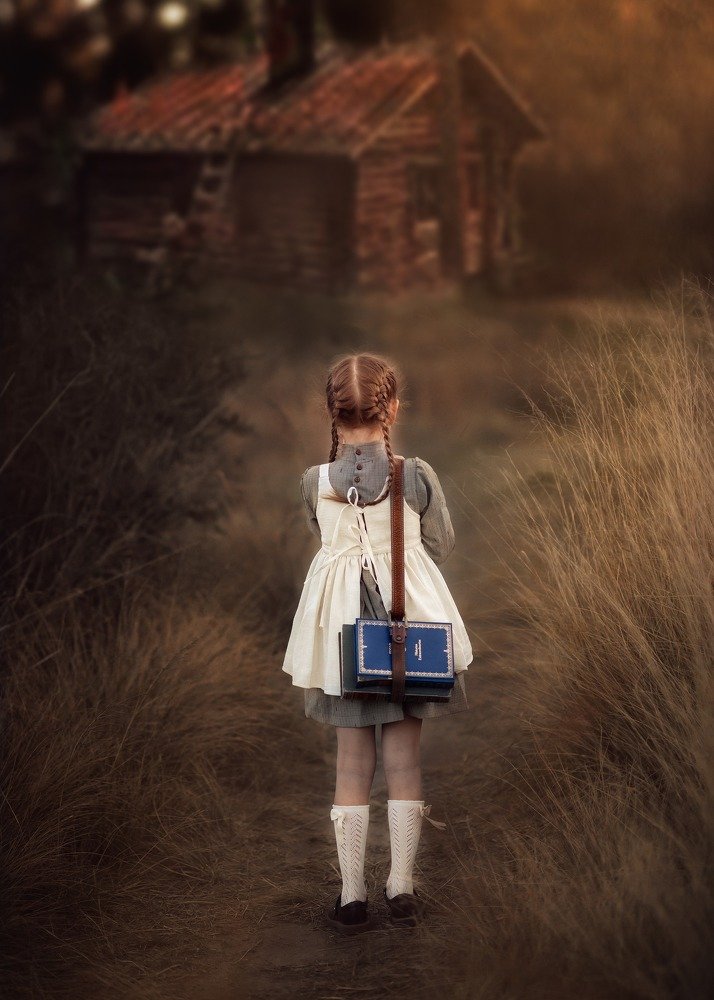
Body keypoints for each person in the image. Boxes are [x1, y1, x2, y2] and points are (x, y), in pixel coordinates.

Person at [282, 353, 473, 934]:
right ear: (391, 409)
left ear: (330, 413)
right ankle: (403, 886)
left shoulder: (315, 482)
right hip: (404, 634)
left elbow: (324, 543)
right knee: (404, 763)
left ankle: (351, 895)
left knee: (350, 766)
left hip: (342, 641)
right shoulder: (414, 474)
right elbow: (440, 541)